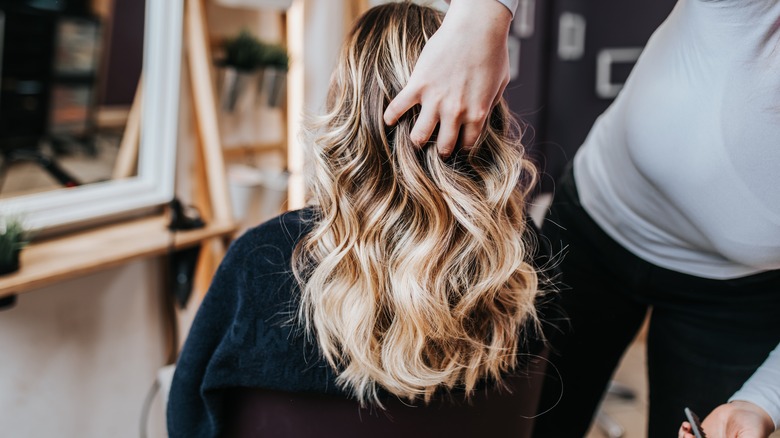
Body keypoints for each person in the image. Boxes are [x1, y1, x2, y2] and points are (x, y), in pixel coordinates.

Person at [385, 0, 780, 436]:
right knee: (534, 425)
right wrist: (481, 17)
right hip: (596, 223)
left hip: (740, 296)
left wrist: (761, 401)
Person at [167, 3, 555, 437]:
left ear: (346, 109)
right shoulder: (523, 254)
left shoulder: (263, 260)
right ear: (479, 101)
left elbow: (188, 421)